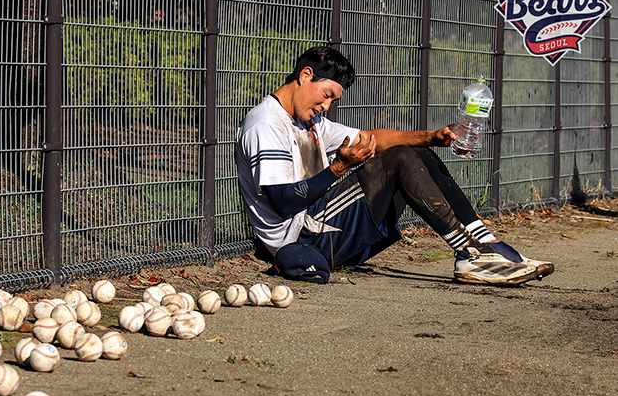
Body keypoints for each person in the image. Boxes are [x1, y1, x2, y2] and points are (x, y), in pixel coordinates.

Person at [235, 46, 553, 286]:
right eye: (326, 94)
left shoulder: (311, 119)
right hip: (304, 238)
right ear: (306, 76)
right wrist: (337, 170)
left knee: (415, 152)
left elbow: (371, 138)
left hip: (322, 223)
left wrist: (432, 137)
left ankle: (485, 242)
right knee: (400, 159)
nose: (326, 105)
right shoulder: (266, 123)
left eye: (333, 100)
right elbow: (282, 202)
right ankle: (468, 255)